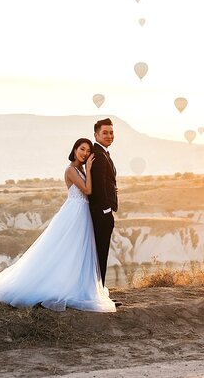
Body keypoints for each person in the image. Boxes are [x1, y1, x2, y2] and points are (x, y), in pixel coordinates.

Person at [0, 138, 116, 312]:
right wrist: (91, 169)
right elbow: (87, 190)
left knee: (77, 252)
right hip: (74, 214)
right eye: (82, 149)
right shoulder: (71, 170)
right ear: (75, 149)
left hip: (83, 214)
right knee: (64, 250)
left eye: (87, 151)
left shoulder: (80, 169)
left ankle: (74, 285)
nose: (85, 153)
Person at [88, 118, 118, 290]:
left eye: (111, 132)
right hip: (102, 214)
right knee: (101, 254)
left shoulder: (103, 153)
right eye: (105, 133)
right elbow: (98, 186)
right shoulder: (99, 155)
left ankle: (98, 291)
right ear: (96, 134)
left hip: (102, 212)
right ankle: (98, 293)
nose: (109, 136)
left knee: (100, 254)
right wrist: (106, 209)